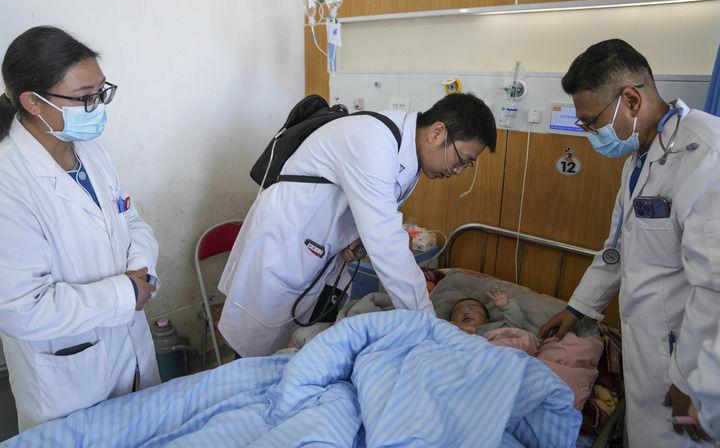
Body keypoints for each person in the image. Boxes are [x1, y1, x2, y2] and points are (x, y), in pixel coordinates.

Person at [538, 39, 720, 447]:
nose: (590, 134)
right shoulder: (639, 160)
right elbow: (616, 249)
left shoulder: (708, 157)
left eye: (592, 122)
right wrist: (577, 309)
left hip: (692, 368)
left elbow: (716, 287)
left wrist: (697, 380)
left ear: (632, 100)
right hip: (649, 350)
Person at [219, 93, 497, 357]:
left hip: (316, 252)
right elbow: (387, 243)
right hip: (284, 248)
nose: (457, 171)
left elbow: (363, 208)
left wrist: (353, 236)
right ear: (437, 133)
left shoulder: (406, 156)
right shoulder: (374, 143)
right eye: (462, 160)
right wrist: (428, 325)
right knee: (255, 357)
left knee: (298, 349)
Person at [0, 26, 161, 431]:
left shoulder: (91, 152)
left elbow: (130, 220)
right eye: (85, 97)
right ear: (33, 102)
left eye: (101, 93)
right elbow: (22, 309)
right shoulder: (8, 181)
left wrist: (141, 271)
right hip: (69, 377)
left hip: (130, 348)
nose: (97, 107)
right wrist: (125, 293)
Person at [450, 289, 525, 335]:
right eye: (458, 311)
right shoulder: (449, 329)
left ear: (487, 319)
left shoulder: (496, 328)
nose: (466, 312)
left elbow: (516, 324)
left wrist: (506, 306)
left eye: (473, 308)